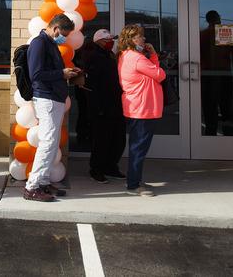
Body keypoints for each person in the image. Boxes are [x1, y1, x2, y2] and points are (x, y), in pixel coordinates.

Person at [24, 14, 81, 202]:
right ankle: (32, 187)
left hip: (53, 98)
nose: (64, 38)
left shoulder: (50, 43)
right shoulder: (39, 43)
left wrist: (68, 74)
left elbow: (49, 72)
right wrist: (61, 73)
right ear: (56, 28)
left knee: (52, 142)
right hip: (46, 98)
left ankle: (43, 181)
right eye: (63, 34)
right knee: (48, 142)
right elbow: (36, 74)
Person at [117, 24, 165, 196]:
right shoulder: (137, 58)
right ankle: (133, 185)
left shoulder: (126, 56)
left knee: (137, 147)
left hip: (138, 107)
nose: (144, 39)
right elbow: (160, 74)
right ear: (132, 39)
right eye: (140, 36)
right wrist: (153, 55)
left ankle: (134, 179)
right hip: (142, 108)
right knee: (138, 148)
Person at [79, 29, 125, 183]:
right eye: (107, 40)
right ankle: (96, 169)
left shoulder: (110, 55)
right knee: (101, 140)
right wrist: (97, 107)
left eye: (111, 40)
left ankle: (111, 167)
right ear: (98, 41)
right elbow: (91, 86)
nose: (110, 42)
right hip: (101, 106)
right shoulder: (93, 57)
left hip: (115, 104)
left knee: (117, 139)